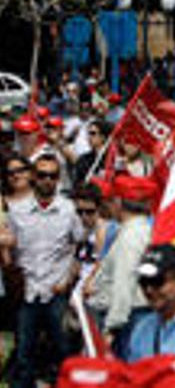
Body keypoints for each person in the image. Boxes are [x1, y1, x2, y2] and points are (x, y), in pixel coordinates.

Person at [3, 154, 83, 388]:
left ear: (58, 179)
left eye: (53, 176)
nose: (47, 180)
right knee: (24, 351)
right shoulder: (17, 212)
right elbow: (11, 247)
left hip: (56, 289)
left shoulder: (68, 210)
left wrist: (69, 279)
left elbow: (79, 246)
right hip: (28, 290)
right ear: (33, 177)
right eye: (42, 175)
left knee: (63, 350)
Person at [95, 175, 157, 358]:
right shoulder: (143, 230)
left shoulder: (130, 237)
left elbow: (124, 282)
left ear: (119, 203)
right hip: (136, 316)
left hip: (130, 319)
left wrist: (111, 327)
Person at [71, 120, 112, 187]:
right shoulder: (83, 160)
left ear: (103, 137)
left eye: (93, 133)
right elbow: (77, 183)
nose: (89, 137)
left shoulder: (113, 159)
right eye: (88, 134)